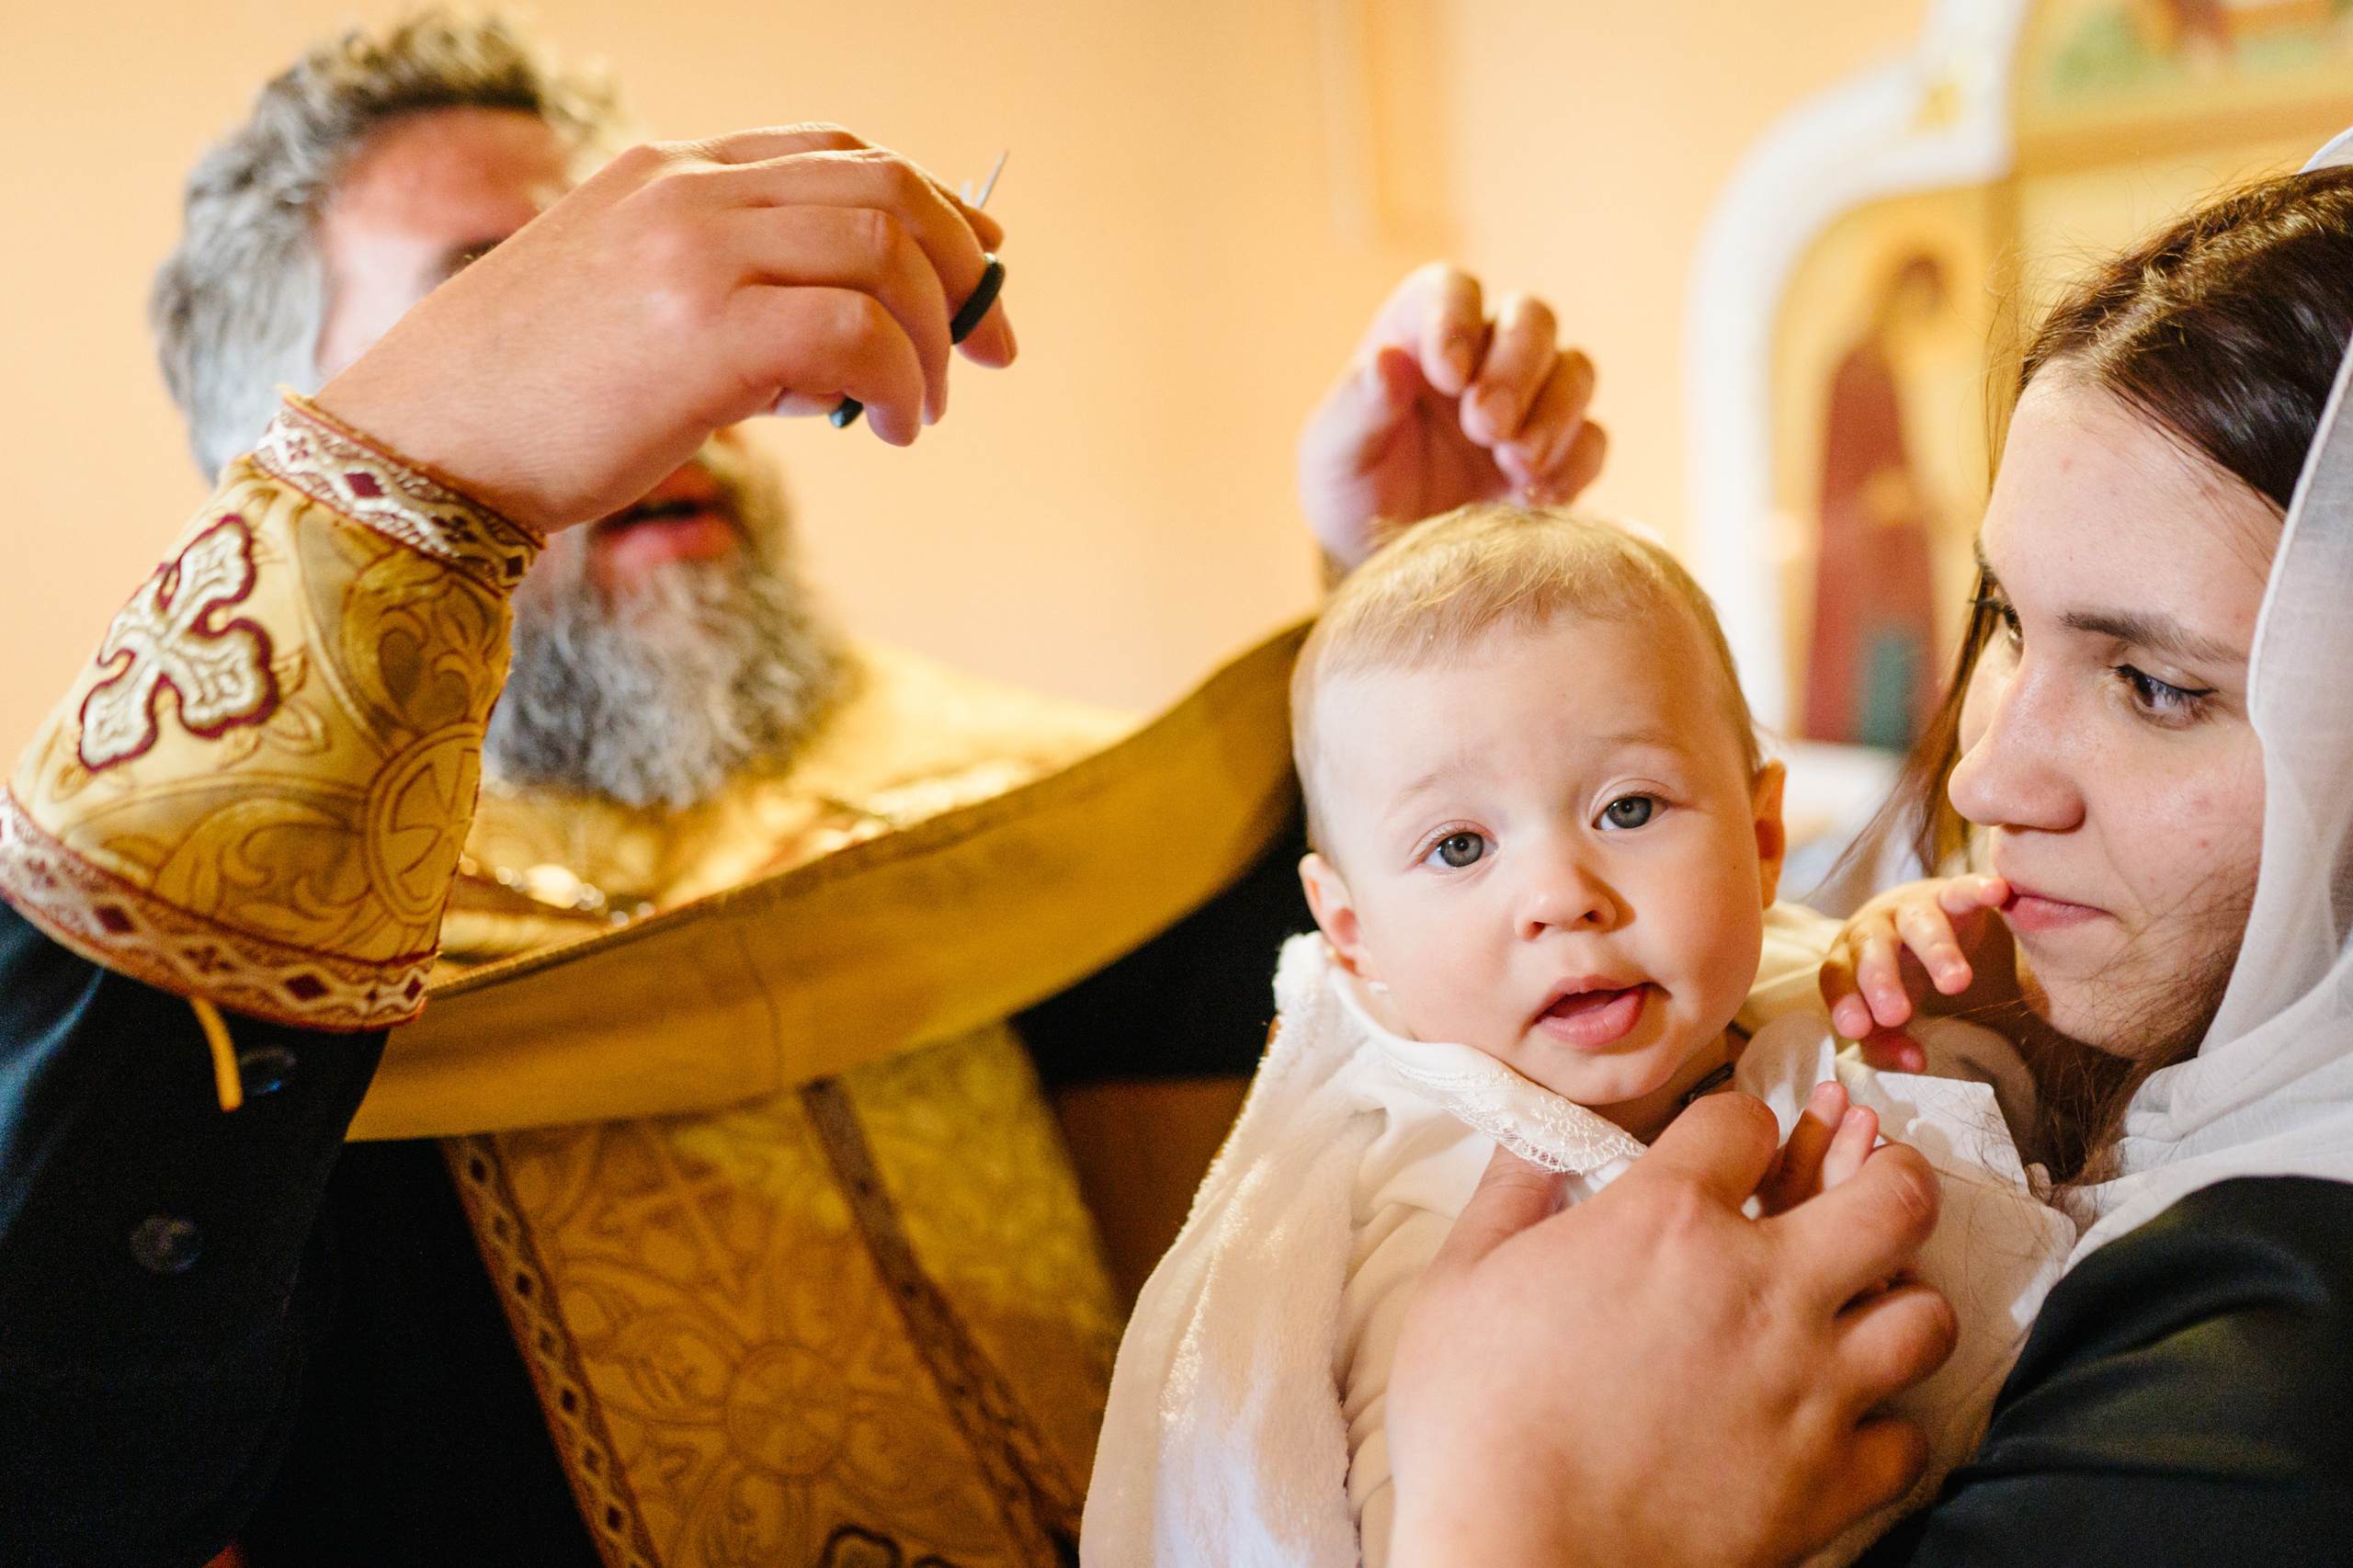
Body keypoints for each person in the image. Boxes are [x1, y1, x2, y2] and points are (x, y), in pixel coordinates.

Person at [0, 14, 1617, 1568]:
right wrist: (420, 484)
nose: (670, 398)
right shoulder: (201, 1006)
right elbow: (71, 1465)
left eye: (644, 301)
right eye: (523, 322)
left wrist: (1413, 616)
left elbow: (1406, 1084)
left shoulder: (991, 819)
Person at [1379, 162, 2353, 1566]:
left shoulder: (2270, 1391)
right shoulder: (2047, 1035)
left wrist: (1508, 1509)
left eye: (2152, 684)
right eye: (2008, 617)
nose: (1985, 777)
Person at [1082, 506, 2070, 1568]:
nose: (1560, 894)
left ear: (1762, 836)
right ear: (1354, 932)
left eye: (1629, 808)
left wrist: (1954, 991)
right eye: (1459, 844)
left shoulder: (1826, 1012)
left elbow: (2052, 1136)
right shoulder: (1418, 1222)